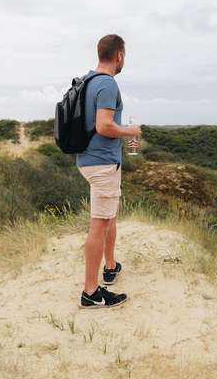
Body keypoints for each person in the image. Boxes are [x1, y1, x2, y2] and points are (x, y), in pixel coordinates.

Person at [76, 34, 141, 309]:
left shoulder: (88, 81)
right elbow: (104, 126)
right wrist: (131, 131)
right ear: (119, 56)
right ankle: (91, 292)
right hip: (101, 162)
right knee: (99, 224)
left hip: (91, 159)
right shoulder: (107, 84)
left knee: (108, 215)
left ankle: (110, 267)